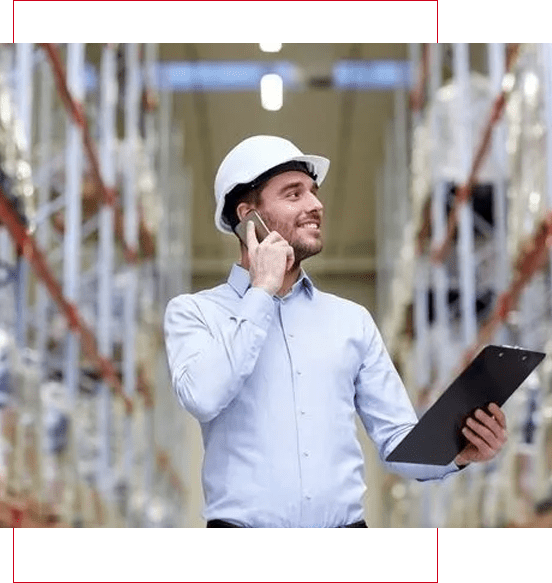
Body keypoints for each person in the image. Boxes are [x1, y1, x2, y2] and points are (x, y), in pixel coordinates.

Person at [164, 135, 507, 528]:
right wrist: (262, 290)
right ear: (248, 217)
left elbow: (398, 441)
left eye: (313, 193)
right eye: (294, 195)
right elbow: (205, 397)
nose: (315, 205)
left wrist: (459, 450)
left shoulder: (352, 321)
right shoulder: (195, 313)